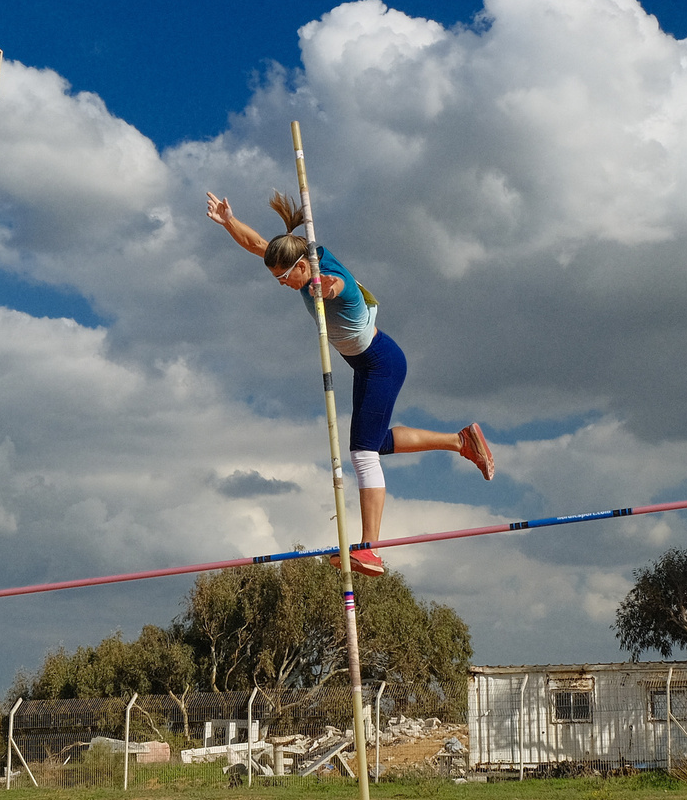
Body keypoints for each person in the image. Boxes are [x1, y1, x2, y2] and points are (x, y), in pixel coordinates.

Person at [207, 189, 495, 575]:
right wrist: (229, 222)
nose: (281, 285)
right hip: (367, 365)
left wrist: (326, 289)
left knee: (362, 455)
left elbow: (338, 287)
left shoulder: (328, 279)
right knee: (374, 444)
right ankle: (461, 442)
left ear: (302, 269)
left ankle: (370, 549)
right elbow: (257, 243)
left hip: (382, 363)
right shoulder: (298, 257)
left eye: (283, 278)